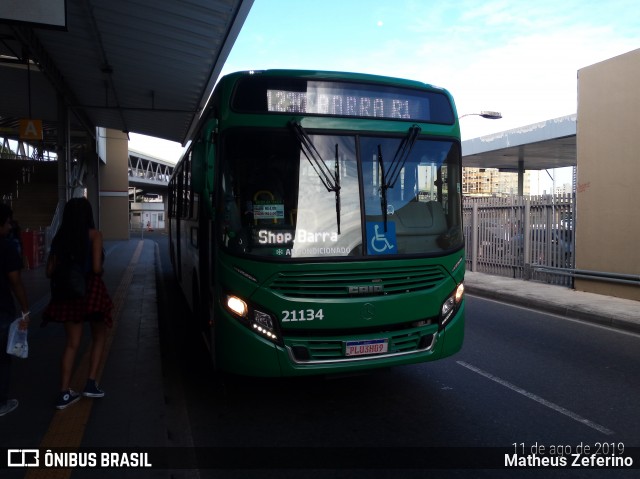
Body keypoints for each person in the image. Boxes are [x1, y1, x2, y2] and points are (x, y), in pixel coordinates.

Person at [43, 197, 113, 410]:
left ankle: (64, 393)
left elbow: (48, 272)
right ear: (87, 215)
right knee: (99, 335)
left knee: (72, 343)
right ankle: (91, 383)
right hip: (91, 292)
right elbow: (96, 269)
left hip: (68, 294)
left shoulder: (60, 238)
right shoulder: (94, 235)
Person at [0, 203, 30, 417]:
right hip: (1, 309)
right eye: (8, 222)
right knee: (2, 359)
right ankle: (1, 404)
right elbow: (15, 281)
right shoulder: (6, 247)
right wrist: (26, 309)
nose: (10, 227)